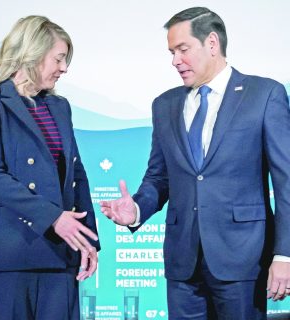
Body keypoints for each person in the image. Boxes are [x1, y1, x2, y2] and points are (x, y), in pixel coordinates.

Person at [100, 7, 290, 320]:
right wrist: (136, 209)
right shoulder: (165, 104)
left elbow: (285, 183)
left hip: (242, 259)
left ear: (212, 43)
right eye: (171, 52)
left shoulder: (263, 94)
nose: (175, 60)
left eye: (182, 49)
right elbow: (159, 179)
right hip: (182, 262)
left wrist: (284, 254)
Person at [0, 15, 100, 320]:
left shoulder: (59, 106)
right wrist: (54, 218)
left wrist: (89, 240)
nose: (64, 68)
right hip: (9, 255)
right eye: (58, 58)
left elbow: (76, 176)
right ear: (32, 53)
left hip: (59, 255)